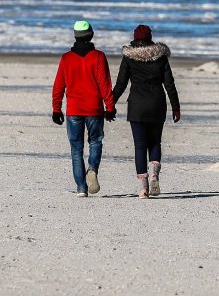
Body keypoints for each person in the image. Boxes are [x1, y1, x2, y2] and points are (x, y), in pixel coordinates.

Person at [112, 24, 180, 198]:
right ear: (150, 38)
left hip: (137, 107)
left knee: (140, 146)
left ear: (134, 39)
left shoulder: (129, 58)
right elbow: (169, 84)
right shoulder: (161, 57)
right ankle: (155, 175)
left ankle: (144, 188)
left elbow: (121, 84)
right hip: (157, 104)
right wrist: (176, 107)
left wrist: (110, 104)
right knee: (155, 142)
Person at [52, 20, 116, 197]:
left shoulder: (66, 59)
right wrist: (110, 106)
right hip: (94, 108)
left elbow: (58, 86)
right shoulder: (98, 57)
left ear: (75, 36)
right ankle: (92, 169)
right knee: (95, 141)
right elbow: (105, 84)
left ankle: (81, 188)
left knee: (76, 149)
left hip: (74, 109)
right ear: (91, 35)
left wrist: (56, 109)